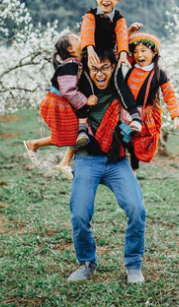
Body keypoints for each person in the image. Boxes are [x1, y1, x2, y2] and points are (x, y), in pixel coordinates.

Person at [67, 48, 147, 284]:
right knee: (80, 214)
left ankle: (133, 265)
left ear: (114, 67)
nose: (99, 73)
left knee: (136, 209)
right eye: (94, 68)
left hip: (116, 160)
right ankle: (87, 263)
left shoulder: (122, 87)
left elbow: (140, 57)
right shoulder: (79, 88)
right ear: (87, 70)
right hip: (86, 159)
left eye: (105, 67)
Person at [23, 33, 97, 180]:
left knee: (78, 132)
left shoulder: (76, 63)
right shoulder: (70, 65)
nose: (81, 39)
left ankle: (61, 160)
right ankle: (36, 145)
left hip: (58, 102)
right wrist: (85, 101)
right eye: (77, 39)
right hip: (56, 103)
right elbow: (68, 91)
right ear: (70, 48)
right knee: (78, 132)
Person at [80, 0, 142, 132]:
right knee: (84, 84)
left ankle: (135, 116)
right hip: (91, 56)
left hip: (109, 58)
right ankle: (82, 125)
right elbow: (87, 31)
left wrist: (122, 55)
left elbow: (121, 37)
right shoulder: (91, 14)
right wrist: (90, 50)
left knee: (119, 82)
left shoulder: (119, 18)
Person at [125, 32, 179, 173]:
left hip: (145, 116)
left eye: (143, 51)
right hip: (125, 112)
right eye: (135, 51)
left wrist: (175, 117)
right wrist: (130, 32)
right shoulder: (128, 68)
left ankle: (133, 172)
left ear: (154, 53)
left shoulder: (159, 74)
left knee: (138, 143)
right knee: (121, 141)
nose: (139, 55)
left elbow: (169, 94)